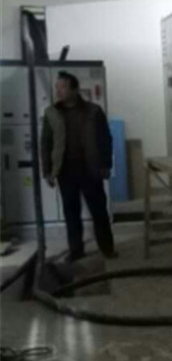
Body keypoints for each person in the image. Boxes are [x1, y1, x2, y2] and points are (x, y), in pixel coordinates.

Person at [41, 71, 116, 261]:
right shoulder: (51, 113)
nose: (58, 91)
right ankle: (76, 250)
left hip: (90, 169)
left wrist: (106, 164)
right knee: (71, 213)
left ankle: (107, 248)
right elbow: (46, 143)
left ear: (75, 89)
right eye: (57, 87)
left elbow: (105, 139)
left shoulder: (93, 111)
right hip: (65, 171)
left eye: (63, 87)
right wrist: (47, 170)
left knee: (99, 211)